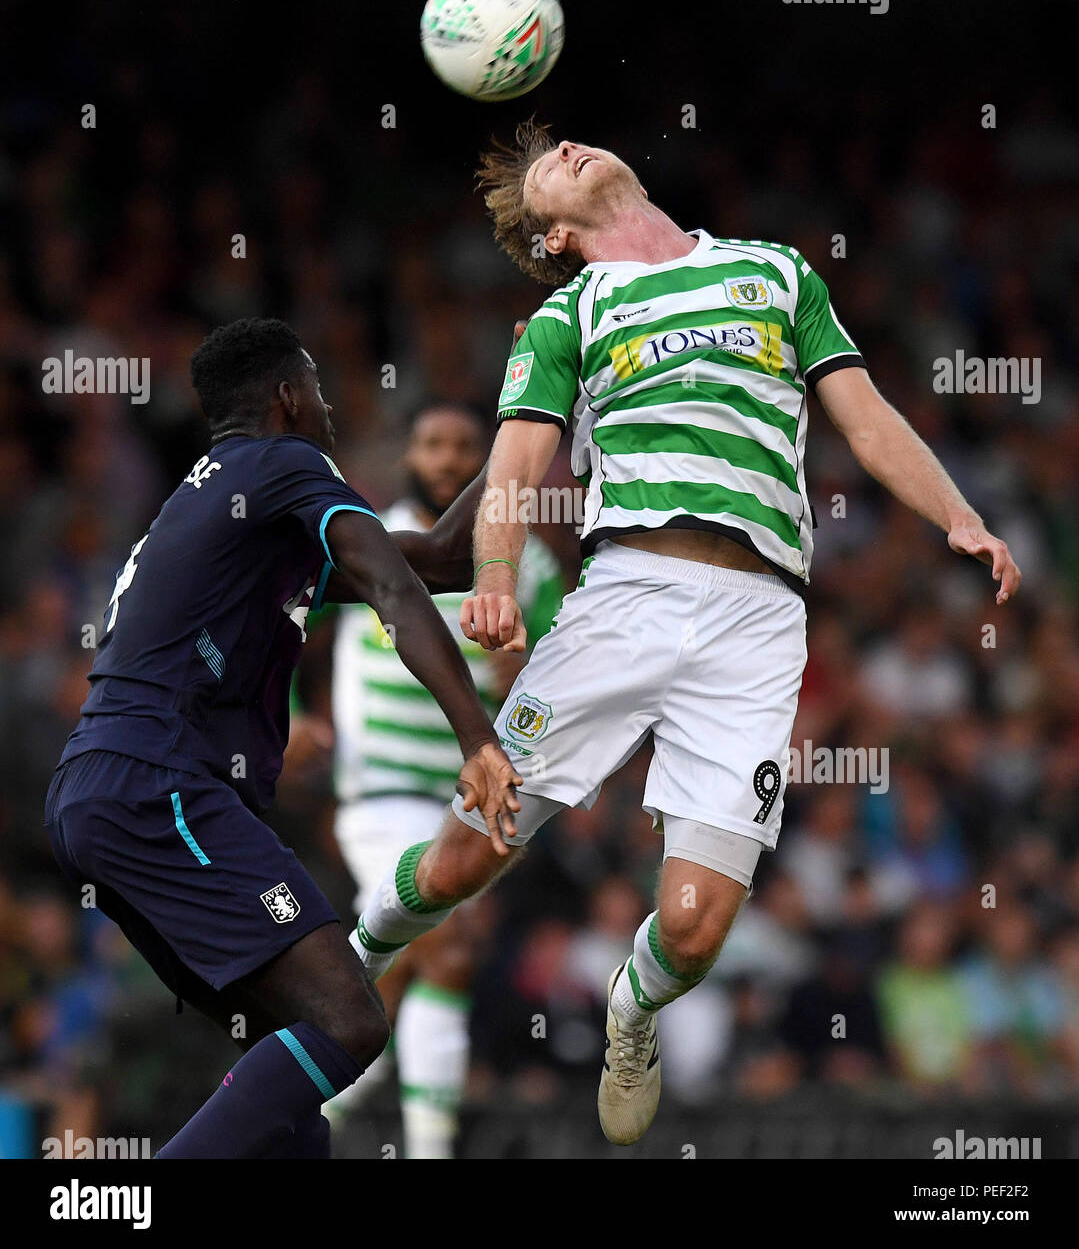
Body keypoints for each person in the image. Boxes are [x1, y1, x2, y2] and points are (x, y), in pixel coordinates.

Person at [352, 123, 1022, 1145]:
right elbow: (517, 468)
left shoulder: (772, 273)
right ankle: (354, 956)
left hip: (758, 622)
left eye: (567, 142)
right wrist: (492, 576)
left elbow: (868, 418)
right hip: (625, 596)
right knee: (455, 869)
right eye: (547, 170)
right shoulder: (569, 312)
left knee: (699, 931)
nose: (569, 147)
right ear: (552, 238)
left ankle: (632, 1006)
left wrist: (957, 515)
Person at [43, 317, 521, 1159]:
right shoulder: (285, 465)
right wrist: (478, 738)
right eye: (320, 390)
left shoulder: (228, 505)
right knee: (349, 1020)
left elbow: (438, 562)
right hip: (159, 784)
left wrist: (530, 408)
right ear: (288, 399)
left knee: (297, 1088)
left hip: (108, 791)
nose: (331, 409)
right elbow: (395, 596)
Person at [323, 399, 563, 1157]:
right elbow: (292, 629)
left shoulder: (536, 563)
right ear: (409, 455)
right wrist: (293, 717)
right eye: (434, 444)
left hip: (470, 794)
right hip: (382, 788)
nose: (451, 458)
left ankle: (306, 1115)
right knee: (444, 949)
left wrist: (526, 669)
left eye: (466, 446)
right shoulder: (369, 537)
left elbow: (568, 672)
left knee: (427, 965)